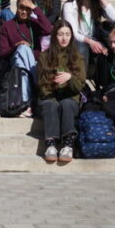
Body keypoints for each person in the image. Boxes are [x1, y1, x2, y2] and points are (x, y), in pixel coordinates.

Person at [0, 0, 53, 117]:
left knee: (24, 67)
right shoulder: (7, 25)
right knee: (23, 49)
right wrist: (17, 46)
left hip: (30, 64)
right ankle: (32, 91)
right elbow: (3, 52)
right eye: (21, 8)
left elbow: (48, 29)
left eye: (27, 9)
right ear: (16, 8)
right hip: (14, 63)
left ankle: (24, 103)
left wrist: (35, 8)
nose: (24, 11)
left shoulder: (34, 24)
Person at [37, 22, 85, 164]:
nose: (64, 38)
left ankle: (68, 144)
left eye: (67, 34)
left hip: (70, 97)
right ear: (54, 36)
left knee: (67, 104)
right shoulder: (44, 56)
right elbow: (41, 84)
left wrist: (69, 78)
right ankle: (51, 145)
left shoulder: (78, 57)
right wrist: (55, 86)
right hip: (50, 96)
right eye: (60, 34)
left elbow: (79, 86)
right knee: (50, 105)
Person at [62, 0, 115, 67]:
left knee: (108, 49)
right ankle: (81, 79)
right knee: (82, 46)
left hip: (95, 40)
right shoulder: (69, 6)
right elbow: (74, 34)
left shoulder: (96, 6)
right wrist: (91, 42)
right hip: (77, 42)